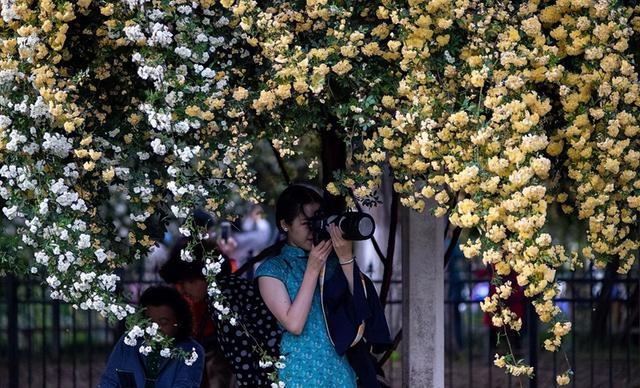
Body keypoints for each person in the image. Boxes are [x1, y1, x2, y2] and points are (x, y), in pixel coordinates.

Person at [255, 184, 391, 388]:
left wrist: (345, 258)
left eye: (318, 221)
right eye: (305, 223)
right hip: (300, 372)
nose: (313, 229)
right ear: (285, 224)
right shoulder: (273, 269)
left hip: (341, 371)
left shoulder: (333, 263)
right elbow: (294, 325)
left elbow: (362, 312)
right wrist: (312, 269)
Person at [160, 236, 235, 388]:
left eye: (189, 282)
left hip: (215, 348)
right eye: (178, 284)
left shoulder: (225, 303)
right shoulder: (188, 301)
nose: (182, 290)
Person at [98, 286, 205, 388]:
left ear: (179, 322)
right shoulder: (128, 343)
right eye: (149, 322)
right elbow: (108, 381)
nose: (155, 329)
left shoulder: (191, 351)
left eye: (163, 322)